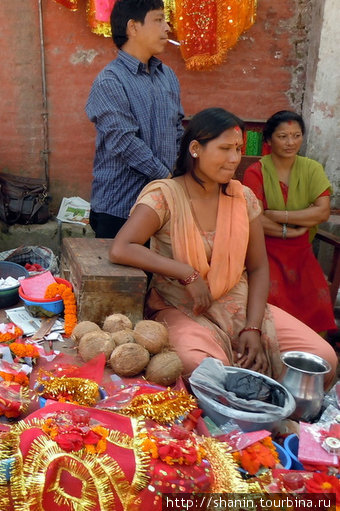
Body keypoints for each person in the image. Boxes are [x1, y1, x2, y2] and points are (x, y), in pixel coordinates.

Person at [110, 108, 337, 387]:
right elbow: (122, 247)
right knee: (203, 368)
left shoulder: (243, 198)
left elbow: (257, 268)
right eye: (225, 148)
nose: (234, 159)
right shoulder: (165, 196)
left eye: (238, 149)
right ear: (195, 149)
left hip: (239, 304)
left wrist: (253, 327)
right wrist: (186, 273)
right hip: (181, 305)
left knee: (323, 359)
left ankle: (276, 416)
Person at [86, 0, 184, 239]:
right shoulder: (110, 81)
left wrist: (183, 175)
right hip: (120, 207)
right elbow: (125, 143)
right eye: (159, 20)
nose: (167, 27)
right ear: (133, 27)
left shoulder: (167, 76)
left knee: (159, 276)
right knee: (121, 276)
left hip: (163, 204)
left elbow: (178, 130)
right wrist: (169, 179)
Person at [242, 111, 336, 334]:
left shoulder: (312, 169)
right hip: (264, 250)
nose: (290, 142)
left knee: (318, 297)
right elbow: (254, 220)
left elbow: (322, 213)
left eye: (296, 135)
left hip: (302, 251)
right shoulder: (256, 172)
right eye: (283, 136)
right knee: (273, 298)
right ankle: (274, 347)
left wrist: (278, 215)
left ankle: (310, 353)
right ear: (268, 140)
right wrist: (290, 231)